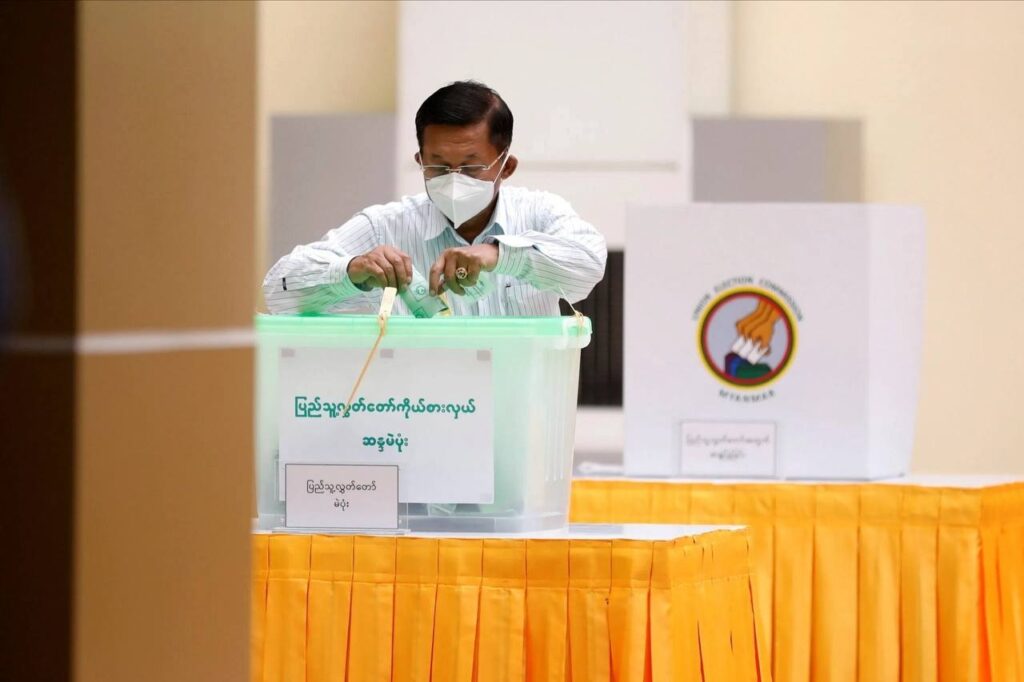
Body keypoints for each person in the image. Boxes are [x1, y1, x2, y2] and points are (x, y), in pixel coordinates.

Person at [262, 80, 607, 316]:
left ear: (507, 166)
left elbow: (590, 263)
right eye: (439, 168)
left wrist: (498, 255)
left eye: (472, 169)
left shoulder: (539, 214)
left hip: (521, 411)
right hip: (424, 411)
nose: (455, 181)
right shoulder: (386, 226)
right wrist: (352, 271)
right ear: (420, 162)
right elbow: (278, 291)